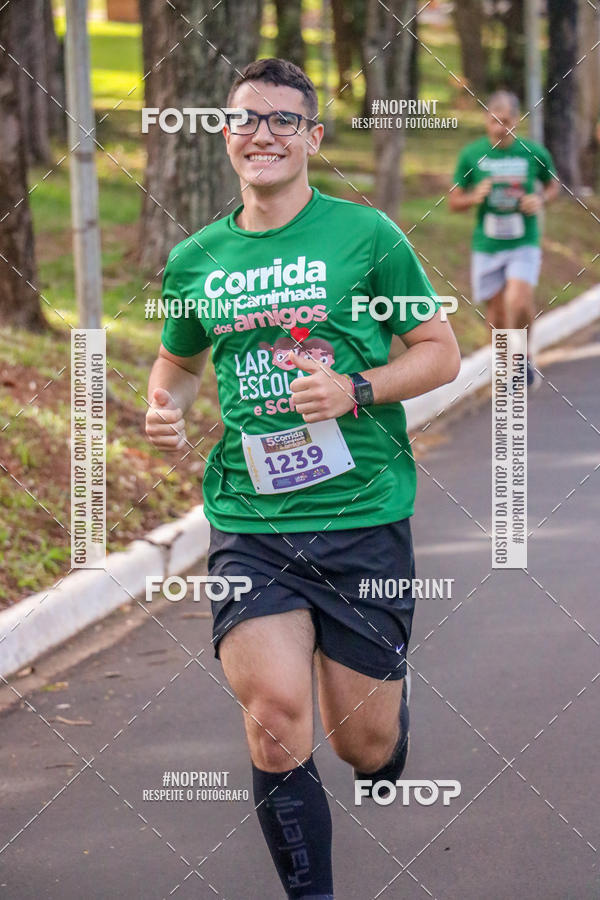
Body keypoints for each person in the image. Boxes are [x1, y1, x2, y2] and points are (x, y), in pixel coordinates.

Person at [145, 58, 460, 899]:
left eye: (286, 120)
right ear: (226, 135)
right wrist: (165, 406)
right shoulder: (197, 258)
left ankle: (385, 733)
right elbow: (175, 363)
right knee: (277, 722)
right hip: (253, 522)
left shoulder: (368, 237)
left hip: (363, 515)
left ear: (314, 138)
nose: (265, 134)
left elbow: (441, 353)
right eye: (249, 119)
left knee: (362, 746)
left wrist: (356, 389)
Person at [449, 90, 559, 387]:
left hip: (524, 241)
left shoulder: (532, 151)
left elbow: (553, 185)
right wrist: (475, 197)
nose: (500, 128)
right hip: (487, 244)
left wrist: (540, 199)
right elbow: (453, 201)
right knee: (497, 312)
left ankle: (522, 358)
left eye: (507, 121)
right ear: (486, 120)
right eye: (495, 121)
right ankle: (506, 365)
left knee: (519, 299)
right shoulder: (472, 154)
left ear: (517, 121)